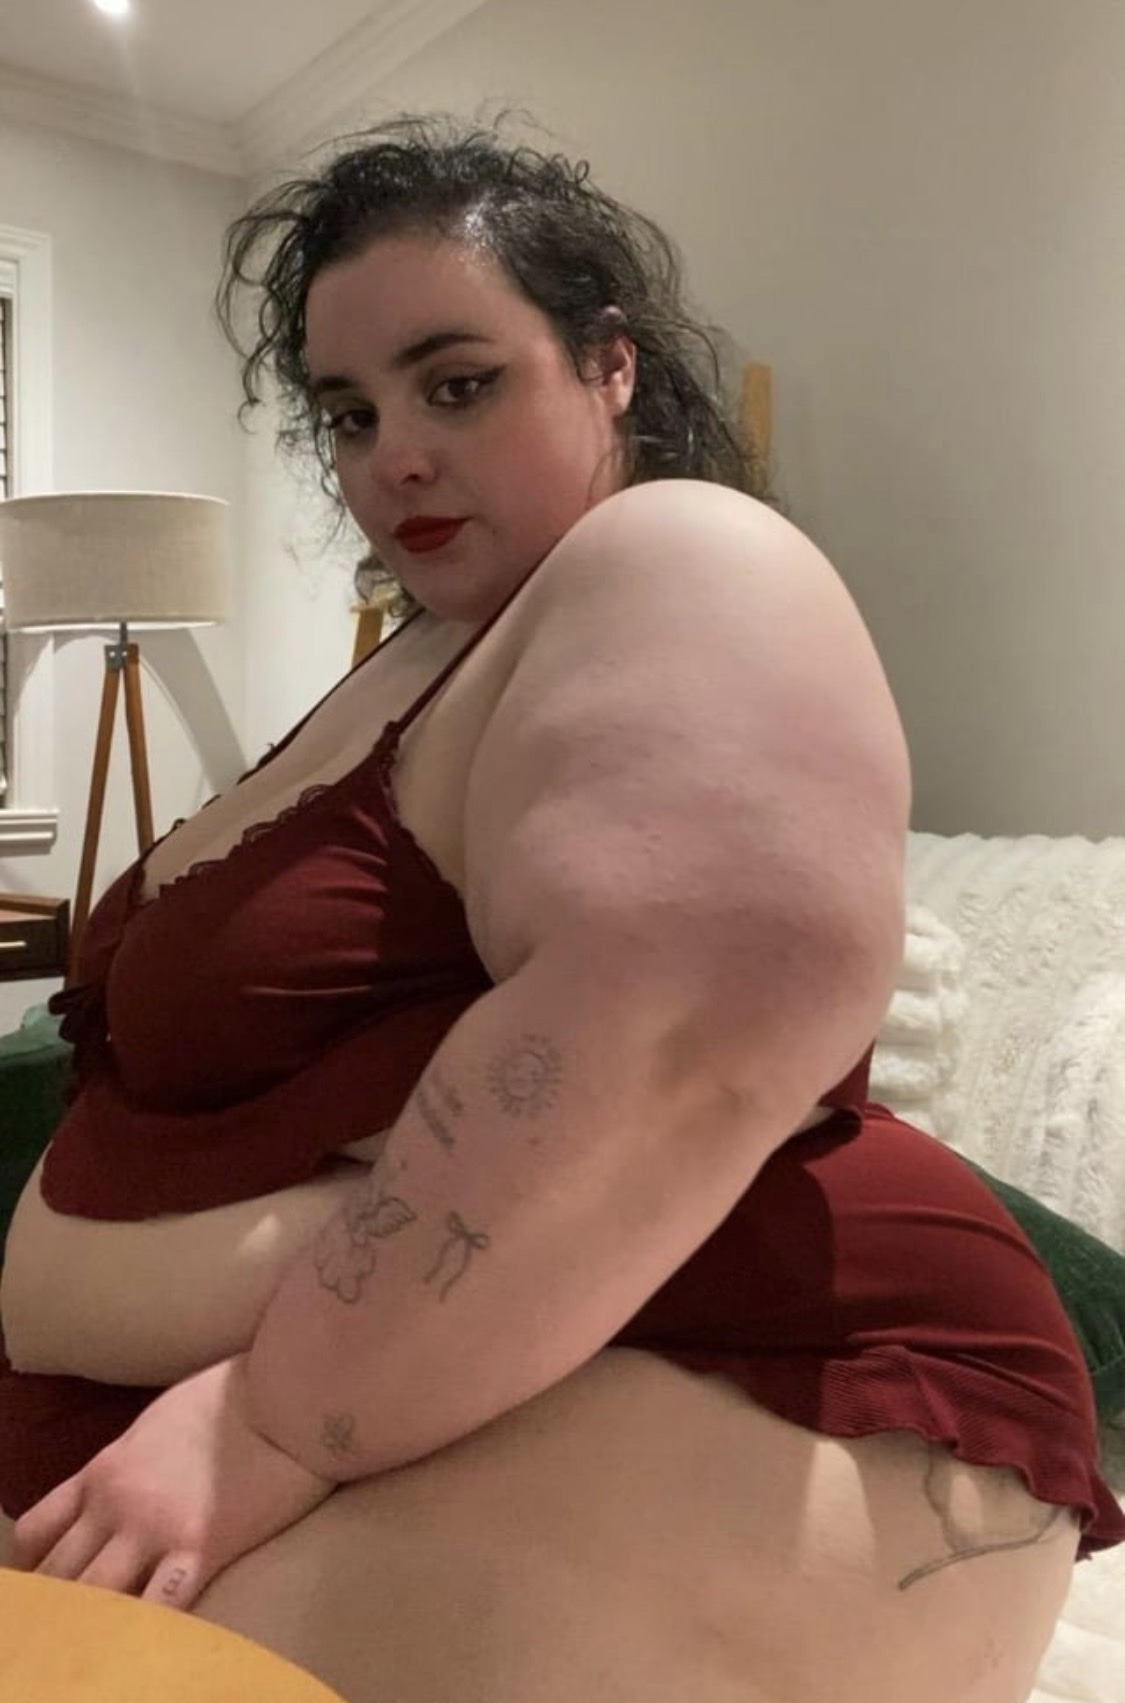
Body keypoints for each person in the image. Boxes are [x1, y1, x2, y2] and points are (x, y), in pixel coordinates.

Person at [0, 114, 1121, 1703]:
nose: (391, 454)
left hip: (788, 1380)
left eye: (457, 384)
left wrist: (270, 1420)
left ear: (607, 366)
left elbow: (686, 1035)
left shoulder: (681, 555)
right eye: (347, 412)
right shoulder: (418, 660)